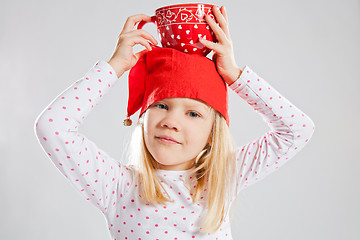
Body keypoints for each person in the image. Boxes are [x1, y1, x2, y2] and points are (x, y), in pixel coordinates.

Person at [34, 5, 315, 239]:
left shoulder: (223, 179)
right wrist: (115, 66)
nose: (171, 121)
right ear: (143, 117)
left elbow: (297, 130)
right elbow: (53, 126)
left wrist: (235, 75)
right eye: (161, 105)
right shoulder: (118, 186)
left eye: (193, 113)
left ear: (212, 134)